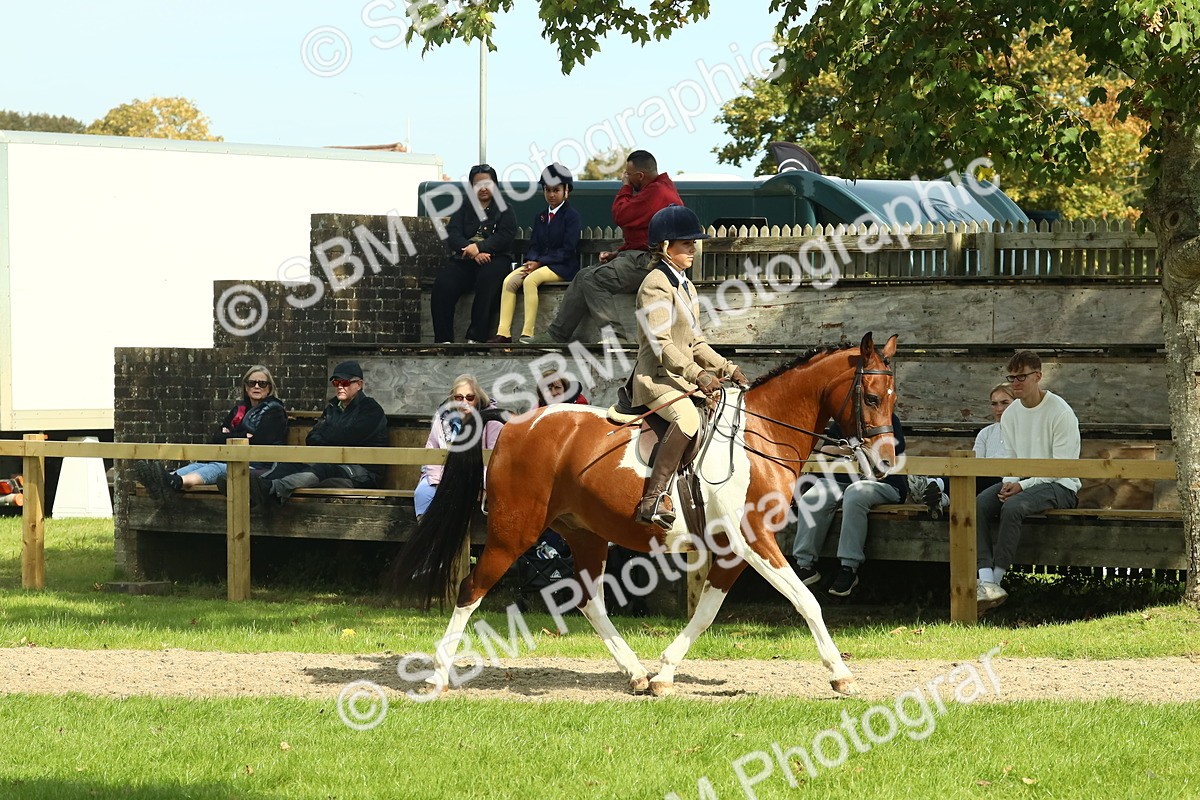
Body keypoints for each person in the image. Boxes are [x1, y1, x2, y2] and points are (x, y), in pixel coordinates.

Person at [630, 204, 746, 529]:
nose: (693, 248)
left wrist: (728, 368)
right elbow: (662, 344)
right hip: (656, 379)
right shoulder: (654, 285)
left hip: (680, 380)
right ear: (666, 247)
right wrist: (699, 374)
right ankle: (653, 498)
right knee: (688, 417)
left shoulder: (686, 285)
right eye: (686, 243)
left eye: (694, 242)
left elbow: (695, 342)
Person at [528, 150, 683, 345]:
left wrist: (625, 188)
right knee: (583, 275)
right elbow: (642, 234)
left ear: (640, 176)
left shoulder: (656, 192)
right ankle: (556, 336)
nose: (625, 177)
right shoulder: (660, 190)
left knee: (593, 278)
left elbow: (621, 215)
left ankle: (615, 337)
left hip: (651, 262)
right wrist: (617, 253)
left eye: (628, 174)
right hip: (643, 257)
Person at [976, 352, 1080, 612]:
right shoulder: (1011, 415)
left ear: (1038, 376)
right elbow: (1010, 458)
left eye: (1021, 377)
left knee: (1013, 507)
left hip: (1062, 485)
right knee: (977, 504)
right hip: (1023, 482)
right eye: (1012, 377)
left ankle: (996, 582)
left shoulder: (1060, 411)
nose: (1015, 383)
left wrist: (1021, 486)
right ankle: (985, 579)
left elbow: (1061, 467)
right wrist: (1010, 482)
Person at [790, 413, 906, 597]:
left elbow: (885, 452)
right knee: (811, 498)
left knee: (855, 493)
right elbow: (828, 449)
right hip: (839, 481)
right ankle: (804, 566)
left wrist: (847, 448)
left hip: (884, 483)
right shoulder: (845, 421)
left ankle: (848, 569)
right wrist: (853, 450)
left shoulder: (889, 420)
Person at [133, 365, 288, 500]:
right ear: (245, 387)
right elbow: (216, 437)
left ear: (269, 388)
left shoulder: (275, 411)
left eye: (262, 383)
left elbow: (258, 441)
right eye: (252, 383)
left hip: (260, 466)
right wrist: (241, 435)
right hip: (232, 459)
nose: (256, 386)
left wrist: (230, 434)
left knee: (216, 468)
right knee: (198, 465)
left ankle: (175, 482)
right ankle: (162, 480)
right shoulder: (239, 410)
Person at [249, 360, 388, 506]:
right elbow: (312, 438)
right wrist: (334, 435)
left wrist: (328, 433)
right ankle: (257, 486)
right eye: (336, 382)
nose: (340, 386)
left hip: (362, 472)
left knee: (323, 470)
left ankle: (272, 490)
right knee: (291, 464)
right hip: (330, 462)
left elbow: (350, 437)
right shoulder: (332, 408)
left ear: (359, 384)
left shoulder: (371, 409)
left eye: (345, 382)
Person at [488, 164, 582, 344]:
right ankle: (504, 333)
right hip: (538, 264)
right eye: (547, 190)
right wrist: (531, 261)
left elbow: (567, 249)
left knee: (530, 281)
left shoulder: (572, 216)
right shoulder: (540, 217)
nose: (551, 194)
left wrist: (539, 263)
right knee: (509, 280)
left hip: (562, 266)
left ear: (566, 190)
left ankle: (527, 333)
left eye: (556, 190)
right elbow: (535, 245)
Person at [431, 164, 518, 343]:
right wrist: (472, 251)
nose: (483, 188)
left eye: (488, 183)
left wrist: (480, 248)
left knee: (487, 280)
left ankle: (476, 337)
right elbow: (452, 234)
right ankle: (443, 340)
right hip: (466, 259)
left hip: (496, 259)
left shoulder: (505, 209)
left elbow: (505, 236)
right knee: (443, 283)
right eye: (478, 184)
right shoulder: (465, 208)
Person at [413, 375, 505, 519]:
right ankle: (427, 533)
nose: (464, 402)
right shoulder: (442, 417)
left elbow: (494, 459)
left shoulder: (492, 419)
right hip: (445, 476)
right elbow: (432, 451)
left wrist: (484, 483)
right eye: (459, 397)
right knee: (423, 492)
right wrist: (438, 482)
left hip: (478, 477)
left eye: (470, 397)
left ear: (478, 398)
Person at [973, 382, 1016, 493]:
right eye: (994, 404)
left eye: (1004, 403)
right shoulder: (986, 433)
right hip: (982, 478)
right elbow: (975, 463)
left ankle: (936, 484)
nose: (999, 409)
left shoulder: (1026, 431)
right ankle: (943, 498)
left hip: (1009, 482)